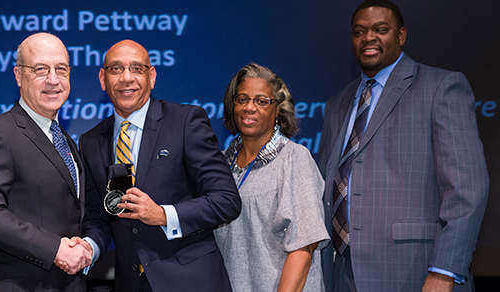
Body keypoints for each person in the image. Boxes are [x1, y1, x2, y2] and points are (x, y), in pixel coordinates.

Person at [317, 1, 490, 291]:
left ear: (401, 36)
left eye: (380, 29)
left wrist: (444, 269)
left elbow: (468, 189)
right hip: (340, 272)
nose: (368, 37)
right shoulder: (338, 104)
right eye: (359, 31)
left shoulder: (441, 86)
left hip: (414, 271)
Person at [76, 39, 241, 292]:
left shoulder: (185, 122)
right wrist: (89, 246)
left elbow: (226, 201)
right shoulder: (90, 142)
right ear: (102, 78)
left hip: (191, 282)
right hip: (130, 284)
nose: (126, 78)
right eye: (116, 69)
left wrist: (163, 215)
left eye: (137, 69)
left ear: (151, 76)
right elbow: (99, 216)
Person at [0, 32, 90, 292]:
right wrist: (55, 249)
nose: (53, 80)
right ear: (18, 75)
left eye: (61, 69)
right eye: (40, 69)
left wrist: (86, 246)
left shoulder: (66, 141)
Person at [213, 63, 329, 291]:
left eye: (261, 101)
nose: (249, 107)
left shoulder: (294, 159)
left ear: (277, 109)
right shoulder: (220, 163)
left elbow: (303, 246)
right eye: (242, 99)